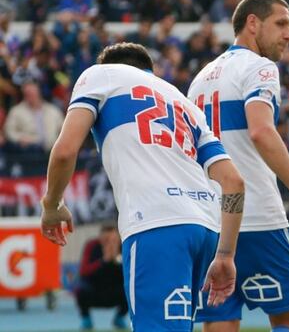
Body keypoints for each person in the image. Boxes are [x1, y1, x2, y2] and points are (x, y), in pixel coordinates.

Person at [39, 42, 245, 331]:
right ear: (149, 71)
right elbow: (233, 181)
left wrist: (52, 205)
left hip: (156, 222)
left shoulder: (100, 75)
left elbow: (64, 151)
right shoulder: (182, 101)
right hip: (207, 229)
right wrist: (226, 255)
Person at [187, 0, 289, 332]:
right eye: (281, 23)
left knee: (219, 323)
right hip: (259, 217)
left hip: (212, 221)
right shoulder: (260, 67)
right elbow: (262, 132)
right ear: (253, 23)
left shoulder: (200, 79)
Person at [75, 223, 128, 330]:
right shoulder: (92, 245)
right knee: (79, 289)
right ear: (100, 237)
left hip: (116, 292)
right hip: (95, 290)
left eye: (112, 239)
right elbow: (84, 271)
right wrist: (103, 261)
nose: (109, 243)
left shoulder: (124, 245)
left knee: (133, 289)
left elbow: (130, 273)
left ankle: (120, 317)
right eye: (106, 239)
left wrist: (116, 260)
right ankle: (86, 319)